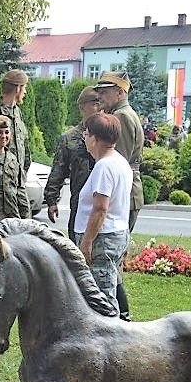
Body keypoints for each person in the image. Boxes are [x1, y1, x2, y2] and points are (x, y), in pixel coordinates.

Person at [94, 71, 143, 322]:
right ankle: (122, 317)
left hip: (122, 197)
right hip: (129, 194)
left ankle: (119, 318)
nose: (100, 95)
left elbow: (115, 162)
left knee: (109, 264)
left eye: (105, 91)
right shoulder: (124, 114)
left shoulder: (121, 117)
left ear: (121, 92)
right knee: (113, 266)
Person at [73, 112, 132, 314]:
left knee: (102, 298)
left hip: (102, 239)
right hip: (115, 233)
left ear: (95, 139)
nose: (85, 139)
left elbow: (100, 208)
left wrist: (87, 242)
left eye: (87, 134)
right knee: (108, 287)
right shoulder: (121, 162)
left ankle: (113, 340)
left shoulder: (104, 166)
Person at [44, 86, 101, 239]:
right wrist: (52, 200)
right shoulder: (70, 138)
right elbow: (58, 170)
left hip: (104, 200)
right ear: (82, 107)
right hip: (80, 201)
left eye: (101, 102)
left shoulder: (107, 134)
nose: (99, 107)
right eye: (95, 103)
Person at [0, 69, 31, 217]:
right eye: (24, 88)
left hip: (15, 183)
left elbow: (23, 144)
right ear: (17, 88)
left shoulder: (17, 112)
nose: (25, 92)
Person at [0, 115, 29, 220]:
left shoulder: (13, 159)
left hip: (12, 217)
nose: (3, 136)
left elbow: (20, 190)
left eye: (6, 132)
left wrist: (26, 218)